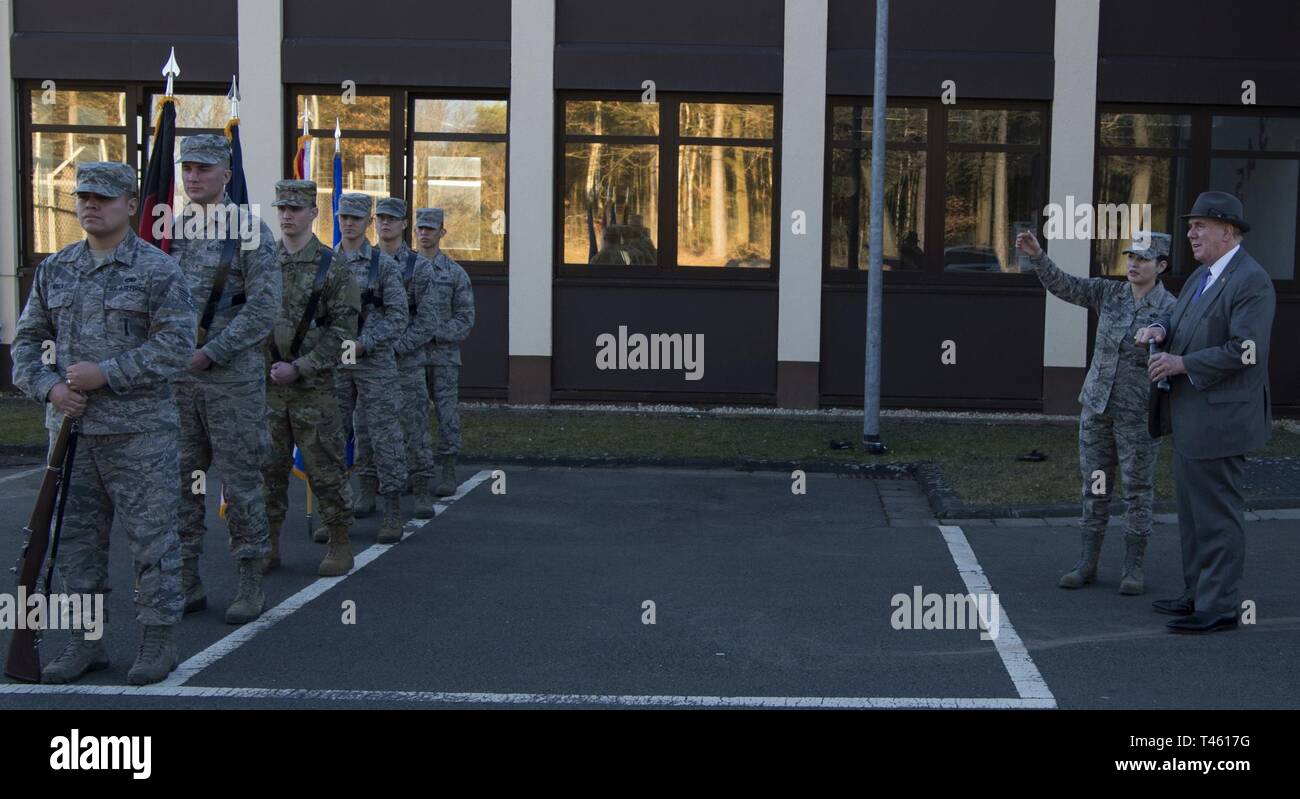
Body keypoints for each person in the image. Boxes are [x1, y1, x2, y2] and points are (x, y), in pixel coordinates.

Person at [11, 161, 195, 685]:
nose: (91, 205)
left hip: (140, 435)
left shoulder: (159, 271)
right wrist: (51, 388)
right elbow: (27, 344)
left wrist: (105, 374)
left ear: (130, 205)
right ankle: (84, 642)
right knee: (74, 544)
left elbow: (176, 346)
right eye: (84, 196)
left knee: (152, 541)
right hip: (71, 436)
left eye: (103, 197)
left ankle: (158, 639)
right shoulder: (56, 269)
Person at [1137, 191, 1275, 634]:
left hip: (1222, 418)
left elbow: (1246, 349)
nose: (1191, 233)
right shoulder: (1202, 276)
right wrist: (1161, 329)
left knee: (1216, 515)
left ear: (1228, 231)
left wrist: (1183, 363)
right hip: (1192, 414)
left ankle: (1219, 605)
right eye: (1191, 225)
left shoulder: (1250, 280)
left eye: (1201, 225)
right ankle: (1197, 592)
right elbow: (1182, 325)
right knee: (1194, 514)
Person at [1017, 230, 1177, 594]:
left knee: (1137, 489)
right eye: (1131, 257)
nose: (1134, 264)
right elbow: (1066, 286)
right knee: (1095, 485)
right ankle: (1087, 562)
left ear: (1161, 265)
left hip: (1138, 414)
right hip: (1097, 407)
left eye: (1143, 258)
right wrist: (1038, 256)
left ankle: (1133, 567)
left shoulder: (1171, 309)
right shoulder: (1110, 293)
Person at [170, 134, 281, 624]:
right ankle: (187, 579)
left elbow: (263, 309)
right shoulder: (175, 229)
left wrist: (212, 351)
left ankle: (250, 580)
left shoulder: (251, 233)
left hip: (231, 380)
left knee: (240, 482)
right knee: (181, 483)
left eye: (203, 169)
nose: (193, 177)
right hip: (178, 382)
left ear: (226, 175)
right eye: (187, 168)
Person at [262, 180, 361, 576]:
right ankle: (267, 543)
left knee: (325, 468)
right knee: (267, 470)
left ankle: (339, 540)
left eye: (296, 209)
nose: (287, 216)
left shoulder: (331, 265)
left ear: (313, 213)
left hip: (314, 389)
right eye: (282, 208)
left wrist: (301, 367)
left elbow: (344, 331)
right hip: (269, 387)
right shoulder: (262, 260)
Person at [334, 193, 409, 543]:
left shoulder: (383, 265)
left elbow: (397, 316)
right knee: (331, 434)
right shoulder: (326, 261)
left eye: (356, 218)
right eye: (343, 216)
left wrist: (367, 341)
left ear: (368, 222)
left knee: (383, 434)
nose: (348, 223)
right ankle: (335, 510)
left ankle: (392, 509)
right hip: (334, 362)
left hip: (372, 360)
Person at [375, 197, 439, 517]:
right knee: (366, 425)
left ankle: (422, 486)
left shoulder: (419, 267)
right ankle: (369, 487)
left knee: (414, 425)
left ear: (404, 224)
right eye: (380, 217)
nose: (384, 223)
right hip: (369, 361)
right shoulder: (363, 261)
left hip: (405, 360)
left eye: (391, 218)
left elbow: (428, 320)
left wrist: (397, 346)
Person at [415, 208, 476, 496]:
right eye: (420, 228)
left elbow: (465, 317)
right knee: (411, 416)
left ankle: (448, 471)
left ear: (442, 232)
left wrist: (436, 333)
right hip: (411, 357)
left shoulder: (454, 273)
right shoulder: (404, 269)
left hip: (443, 358)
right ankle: (415, 472)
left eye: (430, 228)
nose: (425, 233)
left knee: (446, 415)